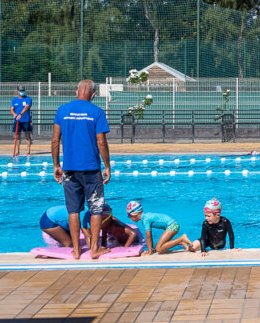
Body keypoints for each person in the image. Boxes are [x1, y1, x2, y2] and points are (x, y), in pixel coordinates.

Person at [52, 79, 112, 259]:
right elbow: (101, 141)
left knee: (73, 210)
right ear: (94, 94)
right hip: (91, 169)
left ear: (75, 91)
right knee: (95, 208)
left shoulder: (62, 110)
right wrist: (107, 165)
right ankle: (94, 248)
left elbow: (55, 140)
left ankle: (77, 250)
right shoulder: (97, 112)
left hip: (69, 169)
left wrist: (56, 165)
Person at [126, 201, 191, 255]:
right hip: (173, 224)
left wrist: (149, 252)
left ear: (134, 214)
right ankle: (181, 242)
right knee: (162, 246)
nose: (130, 219)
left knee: (158, 249)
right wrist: (150, 249)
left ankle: (181, 239)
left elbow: (148, 236)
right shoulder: (146, 217)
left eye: (129, 216)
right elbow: (149, 237)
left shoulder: (145, 220)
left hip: (172, 225)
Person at [11, 85, 33, 157]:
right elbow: (11, 109)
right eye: (21, 91)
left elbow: (26, 107)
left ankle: (28, 151)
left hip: (25, 120)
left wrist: (20, 114)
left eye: (23, 91)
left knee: (27, 135)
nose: (22, 92)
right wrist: (14, 114)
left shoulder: (28, 99)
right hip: (17, 121)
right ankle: (17, 151)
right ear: (18, 91)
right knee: (17, 136)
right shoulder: (14, 100)